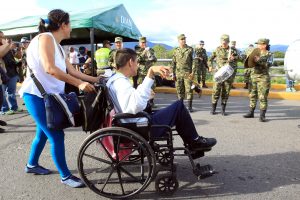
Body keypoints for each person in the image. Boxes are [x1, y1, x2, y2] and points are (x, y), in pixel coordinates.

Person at [18, 9, 100, 188]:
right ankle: (65, 176)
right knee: (56, 134)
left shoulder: (58, 46)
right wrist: (78, 84)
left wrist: (97, 79)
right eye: (70, 24)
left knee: (42, 133)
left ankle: (31, 165)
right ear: (63, 25)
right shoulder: (46, 38)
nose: (71, 28)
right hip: (35, 95)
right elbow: (50, 68)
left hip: (48, 96)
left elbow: (71, 71)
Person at [106, 48, 217, 159]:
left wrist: (146, 95)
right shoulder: (120, 83)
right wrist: (150, 74)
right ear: (130, 62)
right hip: (140, 127)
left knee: (176, 109)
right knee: (179, 107)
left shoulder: (115, 80)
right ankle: (195, 142)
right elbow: (135, 105)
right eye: (136, 62)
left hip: (133, 123)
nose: (138, 65)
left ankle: (193, 143)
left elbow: (131, 102)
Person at [209, 34, 239, 116]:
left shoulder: (233, 50)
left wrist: (234, 58)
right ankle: (213, 109)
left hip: (228, 74)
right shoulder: (217, 49)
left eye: (225, 41)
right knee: (215, 91)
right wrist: (210, 66)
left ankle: (223, 110)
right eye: (222, 41)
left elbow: (242, 58)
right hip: (218, 74)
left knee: (226, 92)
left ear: (228, 41)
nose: (224, 42)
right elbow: (210, 59)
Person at [243, 38, 273, 122]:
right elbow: (247, 61)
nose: (258, 45)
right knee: (252, 95)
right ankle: (251, 112)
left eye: (259, 44)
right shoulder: (254, 52)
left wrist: (259, 60)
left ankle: (262, 116)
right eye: (257, 44)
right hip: (253, 76)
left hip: (263, 78)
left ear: (264, 45)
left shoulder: (269, 54)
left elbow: (269, 64)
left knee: (262, 97)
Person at [0, 31, 23, 115]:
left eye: (3, 36)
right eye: (1, 37)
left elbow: (18, 56)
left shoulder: (8, 47)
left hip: (12, 72)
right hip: (3, 74)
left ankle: (14, 107)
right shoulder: (5, 47)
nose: (3, 38)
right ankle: (4, 110)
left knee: (11, 92)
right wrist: (7, 46)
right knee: (1, 94)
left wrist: (19, 49)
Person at [172, 34, 195, 112]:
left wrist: (193, 72)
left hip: (187, 73)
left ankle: (189, 107)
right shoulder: (176, 50)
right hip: (178, 73)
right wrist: (173, 73)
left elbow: (194, 62)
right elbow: (173, 62)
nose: (183, 40)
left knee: (189, 90)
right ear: (179, 41)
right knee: (179, 90)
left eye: (184, 39)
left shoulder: (190, 49)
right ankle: (181, 106)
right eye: (182, 39)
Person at [135, 36, 157, 107]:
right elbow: (137, 60)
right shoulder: (137, 51)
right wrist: (144, 52)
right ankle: (143, 104)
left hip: (150, 71)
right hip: (141, 73)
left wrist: (151, 56)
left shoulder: (150, 49)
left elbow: (155, 59)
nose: (143, 44)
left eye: (144, 42)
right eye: (142, 42)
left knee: (152, 87)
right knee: (141, 87)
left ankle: (151, 102)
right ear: (139, 43)